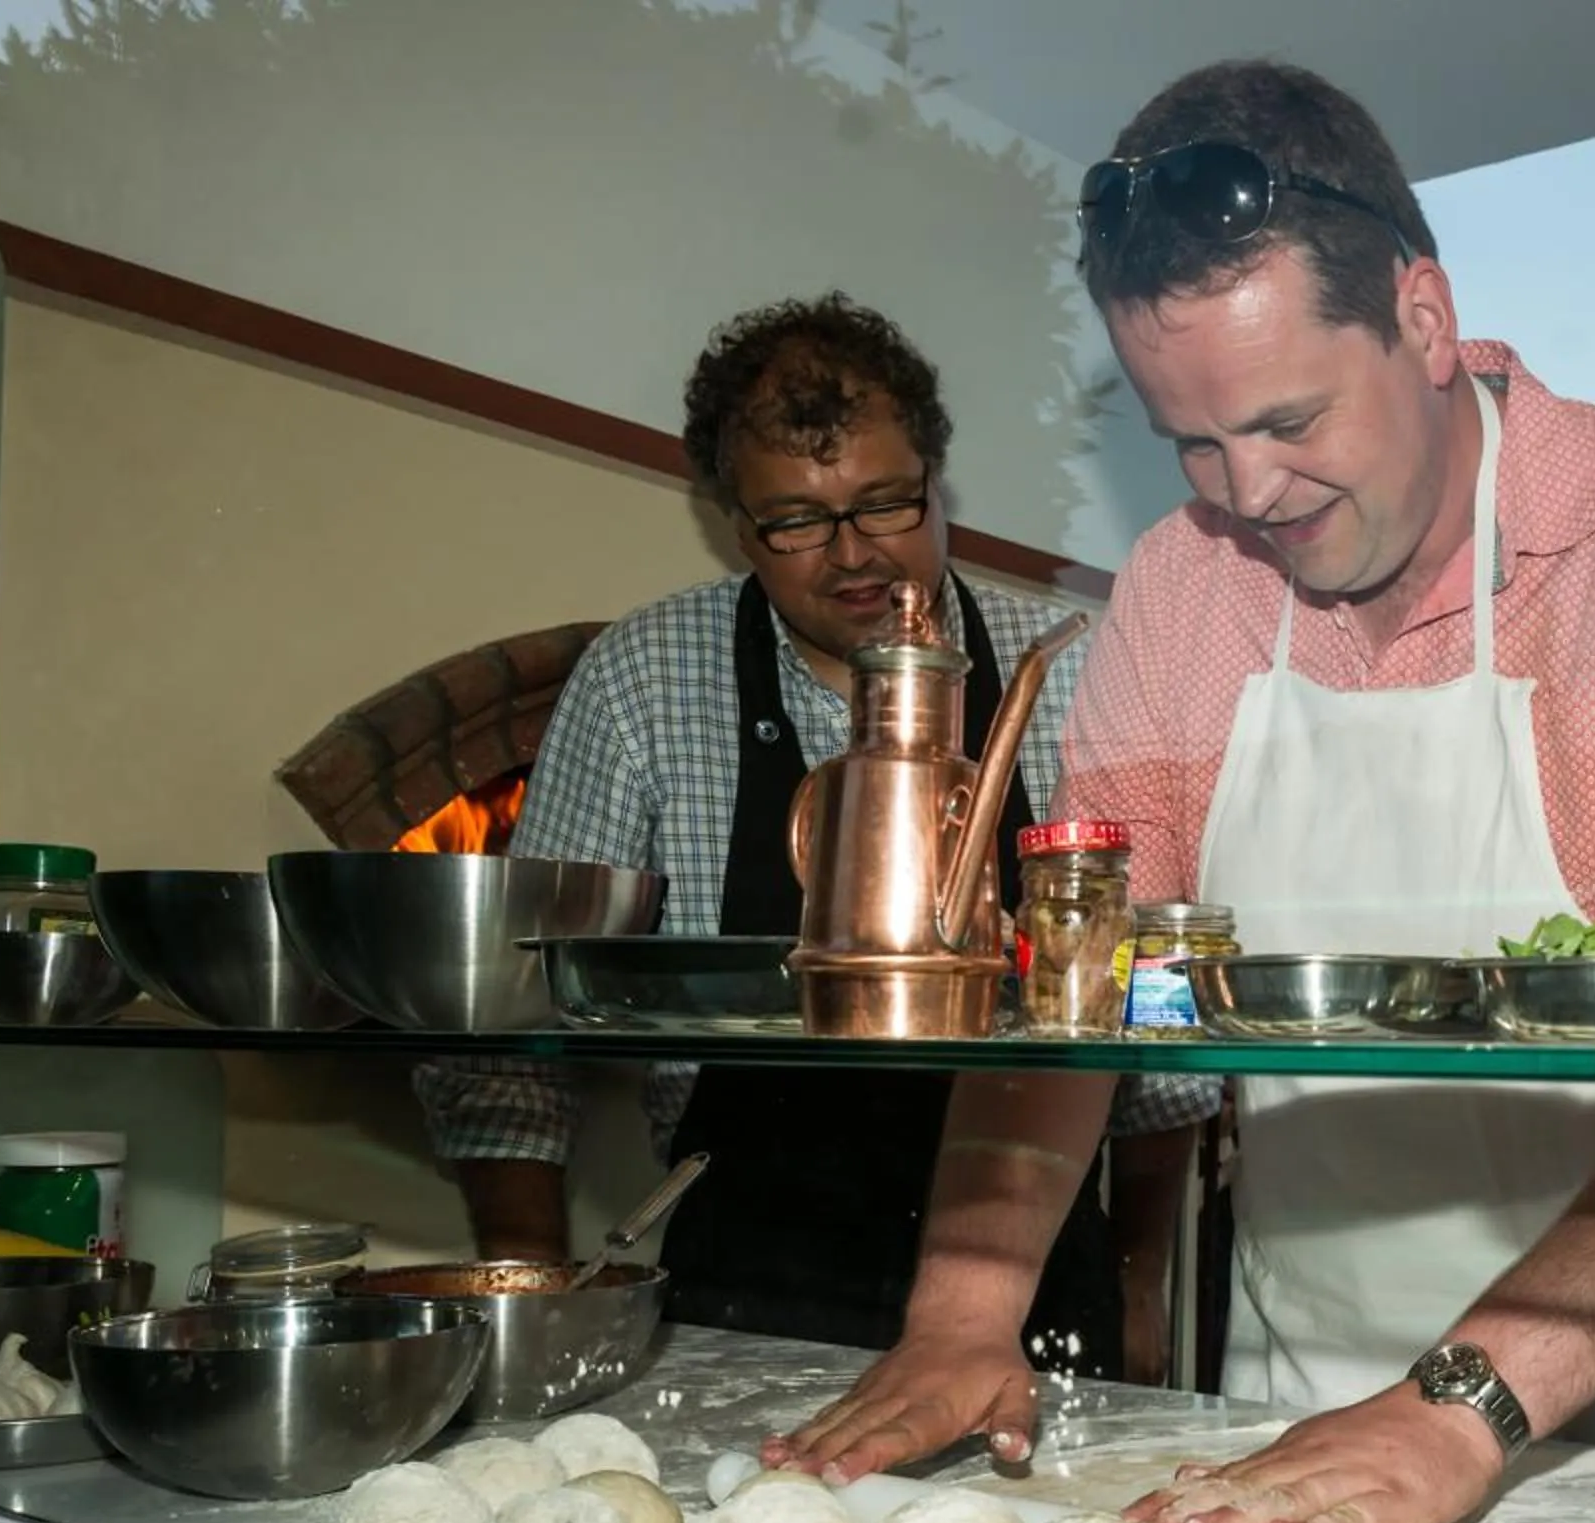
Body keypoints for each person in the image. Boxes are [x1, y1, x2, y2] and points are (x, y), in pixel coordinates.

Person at [771, 60, 1595, 1523]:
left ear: (1422, 318)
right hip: (1297, 1418)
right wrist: (963, 1317)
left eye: (1290, 420)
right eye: (1192, 442)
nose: (1247, 493)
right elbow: (1077, 998)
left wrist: (1463, 1405)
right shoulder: (1180, 592)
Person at [416, 295, 1214, 1371]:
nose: (854, 555)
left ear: (940, 481)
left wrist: (1140, 1278)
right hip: (742, 1280)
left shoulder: (1066, 667)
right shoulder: (645, 680)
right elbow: (510, 1019)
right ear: (732, 522)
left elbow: (1152, 1032)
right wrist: (527, 1292)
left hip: (1029, 1277)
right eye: (795, 521)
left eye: (887, 503)